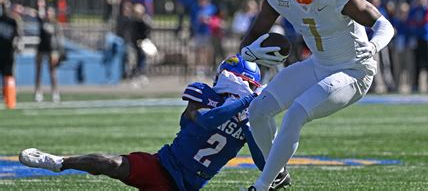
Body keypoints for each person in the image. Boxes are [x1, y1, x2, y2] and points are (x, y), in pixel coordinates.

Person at [238, 0, 394, 190]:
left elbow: (383, 23)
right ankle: (277, 174)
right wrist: (246, 55)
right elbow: (254, 34)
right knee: (258, 111)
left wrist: (374, 44)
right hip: (318, 65)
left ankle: (263, 185)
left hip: (353, 70)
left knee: (296, 113)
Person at [19, 54, 291, 191]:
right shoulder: (203, 94)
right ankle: (58, 162)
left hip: (189, 186)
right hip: (164, 166)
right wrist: (244, 103)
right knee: (111, 164)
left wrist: (247, 122)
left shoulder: (251, 116)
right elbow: (205, 121)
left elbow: (263, 162)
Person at [34, 0, 64, 103]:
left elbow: (59, 39)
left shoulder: (56, 25)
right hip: (41, 48)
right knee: (38, 71)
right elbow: (36, 13)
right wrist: (41, 5)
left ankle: (55, 93)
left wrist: (58, 52)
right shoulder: (42, 20)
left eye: (50, 12)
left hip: (52, 50)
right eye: (47, 12)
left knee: (53, 73)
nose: (48, 13)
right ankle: (38, 92)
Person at [407, 0, 428, 92]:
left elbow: (427, 19)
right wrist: (415, 24)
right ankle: (415, 85)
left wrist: (416, 23)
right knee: (416, 62)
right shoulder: (414, 8)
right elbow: (409, 22)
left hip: (427, 38)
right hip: (417, 38)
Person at [0, 0, 22, 109]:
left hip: (9, 52)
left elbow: (19, 35)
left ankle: (10, 99)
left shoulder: (13, 21)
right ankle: (5, 96)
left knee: (9, 76)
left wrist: (19, 44)